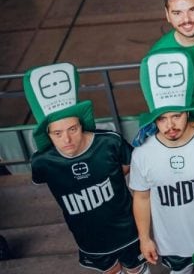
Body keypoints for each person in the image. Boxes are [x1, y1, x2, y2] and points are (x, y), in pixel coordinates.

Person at [25, 62, 147, 274]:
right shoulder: (42, 161)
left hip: (126, 228)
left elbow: (130, 164)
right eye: (58, 133)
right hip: (88, 237)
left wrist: (109, 177)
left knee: (136, 268)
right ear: (48, 135)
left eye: (72, 129)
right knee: (110, 270)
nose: (67, 139)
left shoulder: (109, 142)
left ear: (81, 124)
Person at [130, 50, 194, 274]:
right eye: (162, 118)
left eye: (176, 116)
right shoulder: (143, 154)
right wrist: (145, 239)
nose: (170, 125)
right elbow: (141, 197)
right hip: (171, 245)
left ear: (188, 114)